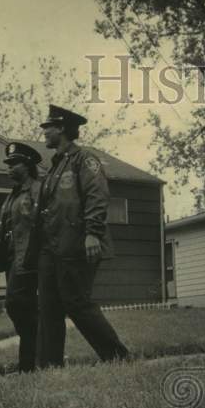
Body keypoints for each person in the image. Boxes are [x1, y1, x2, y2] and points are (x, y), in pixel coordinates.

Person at [27, 104, 129, 368]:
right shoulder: (55, 167)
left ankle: (118, 357)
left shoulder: (85, 159)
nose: (44, 132)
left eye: (48, 127)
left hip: (76, 245)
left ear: (61, 128)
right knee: (48, 308)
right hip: (51, 248)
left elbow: (97, 195)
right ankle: (49, 368)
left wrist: (93, 233)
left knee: (76, 302)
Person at [0, 142, 43, 373]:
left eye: (13, 163)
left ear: (26, 166)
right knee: (22, 311)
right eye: (7, 164)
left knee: (15, 305)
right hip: (12, 262)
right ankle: (28, 365)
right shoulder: (12, 196)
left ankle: (33, 360)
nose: (8, 168)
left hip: (29, 261)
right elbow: (2, 231)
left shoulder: (38, 190)